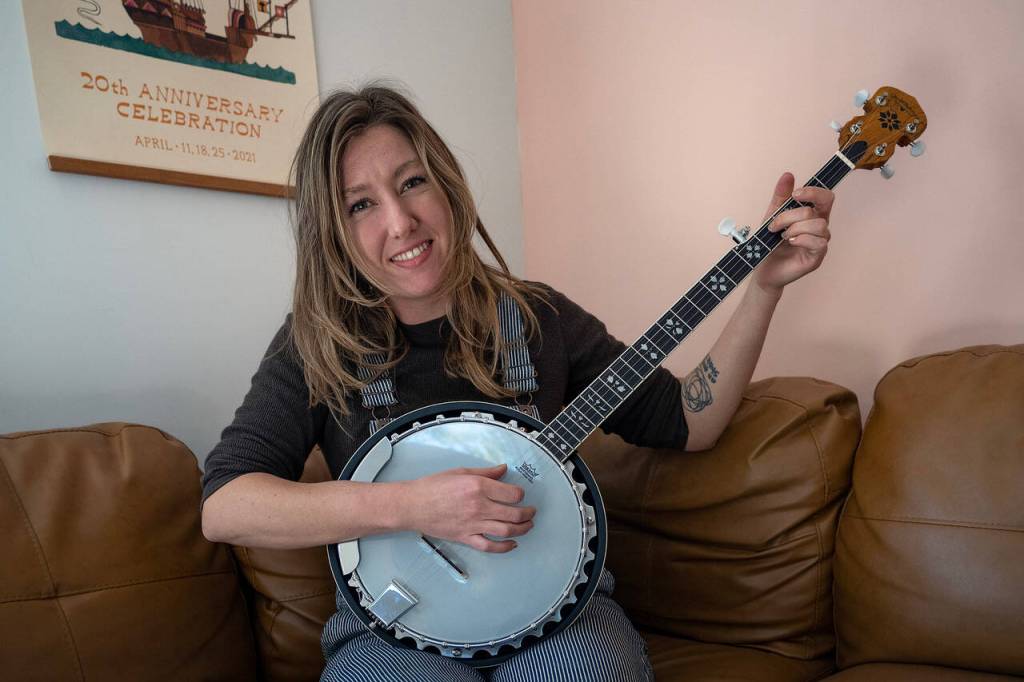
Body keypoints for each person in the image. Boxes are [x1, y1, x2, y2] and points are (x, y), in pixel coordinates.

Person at [200, 84, 835, 682]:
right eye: (360, 204)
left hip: (559, 618)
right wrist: (411, 506)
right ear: (332, 233)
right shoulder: (319, 342)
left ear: (446, 187)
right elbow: (225, 506)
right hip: (393, 628)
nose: (400, 222)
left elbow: (690, 422)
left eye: (412, 182)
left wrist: (763, 287)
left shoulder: (540, 318)